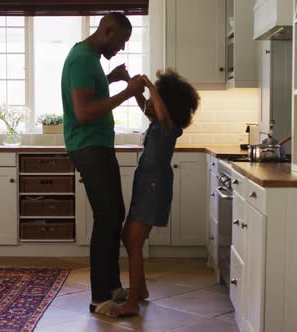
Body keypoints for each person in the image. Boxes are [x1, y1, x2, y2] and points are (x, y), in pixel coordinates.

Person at [61, 12, 145, 316]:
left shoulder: (89, 58)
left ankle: (111, 287)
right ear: (107, 31)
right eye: (121, 41)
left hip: (96, 146)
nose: (121, 48)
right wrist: (127, 92)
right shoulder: (84, 59)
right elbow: (83, 112)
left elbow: (87, 92)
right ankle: (99, 296)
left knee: (114, 215)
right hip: (89, 147)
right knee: (107, 217)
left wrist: (110, 79)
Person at [113, 69, 200, 317]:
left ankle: (132, 302)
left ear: (167, 105)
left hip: (153, 188)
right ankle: (140, 290)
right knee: (129, 238)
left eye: (155, 99)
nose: (149, 103)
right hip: (146, 187)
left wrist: (151, 86)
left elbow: (159, 113)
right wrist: (134, 88)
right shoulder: (157, 123)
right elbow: (150, 109)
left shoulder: (169, 126)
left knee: (133, 240)